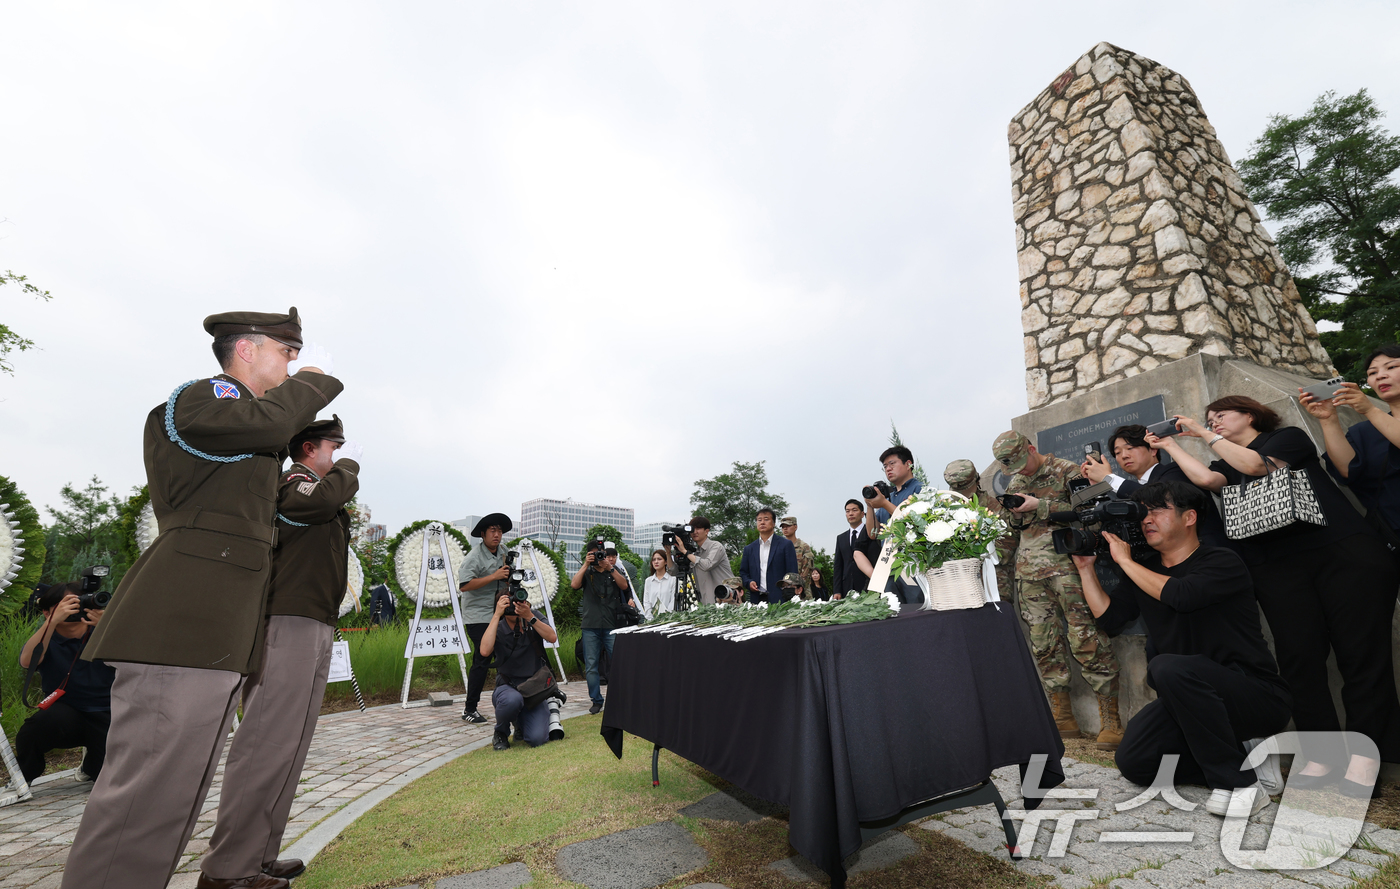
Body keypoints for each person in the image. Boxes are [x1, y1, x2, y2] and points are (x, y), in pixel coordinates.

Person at [63, 307, 339, 889]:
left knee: (175, 795)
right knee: (144, 799)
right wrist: (314, 383)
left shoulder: (251, 427)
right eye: (285, 351)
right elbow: (270, 427)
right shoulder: (204, 398)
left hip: (215, 629)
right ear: (246, 349)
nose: (294, 363)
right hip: (180, 622)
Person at [1162, 394, 1400, 791]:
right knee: (1298, 662)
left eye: (1222, 414)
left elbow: (1257, 466)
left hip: (1340, 554)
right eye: (1209, 417)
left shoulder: (1286, 438)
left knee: (1361, 656)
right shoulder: (1225, 462)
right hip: (1275, 566)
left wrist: (1203, 432)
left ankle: (1365, 761)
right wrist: (1170, 444)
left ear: (1251, 415)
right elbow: (1207, 480)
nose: (1214, 421)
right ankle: (1321, 757)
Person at [198, 416, 360, 886]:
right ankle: (227, 869)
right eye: (333, 447)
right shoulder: (293, 484)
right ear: (308, 448)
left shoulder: (315, 491)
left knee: (290, 745)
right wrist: (348, 467)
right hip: (288, 622)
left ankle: (259, 856)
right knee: (265, 744)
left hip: (314, 621)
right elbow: (325, 499)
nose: (339, 455)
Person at [1071, 481, 1291, 816]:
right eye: (1143, 512)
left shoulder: (1222, 561)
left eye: (1158, 510)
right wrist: (1086, 569)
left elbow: (1182, 595)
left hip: (1254, 695)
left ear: (1189, 517)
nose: (1147, 519)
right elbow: (1111, 619)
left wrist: (1126, 562)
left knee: (1168, 666)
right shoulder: (1147, 571)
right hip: (1188, 702)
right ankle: (1244, 758)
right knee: (1134, 761)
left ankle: (1241, 785)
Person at [993, 430, 1123, 750]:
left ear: (1031, 448)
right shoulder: (1015, 482)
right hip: (1029, 575)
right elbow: (1008, 538)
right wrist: (1000, 583)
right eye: (1012, 467)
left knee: (1086, 639)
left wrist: (1040, 505)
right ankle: (1063, 717)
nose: (1020, 471)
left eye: (1022, 462)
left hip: (1069, 569)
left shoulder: (1068, 471)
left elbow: (1088, 514)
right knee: (1043, 645)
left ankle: (1110, 720)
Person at [16, 583, 114, 783]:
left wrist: (108, 626)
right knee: (31, 731)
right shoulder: (46, 638)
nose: (73, 610)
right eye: (66, 605)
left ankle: (91, 765)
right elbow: (27, 662)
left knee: (106, 777)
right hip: (66, 711)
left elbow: (135, 661)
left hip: (108, 710)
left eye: (77, 603)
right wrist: (51, 622)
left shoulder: (103, 632)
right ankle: (22, 779)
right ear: (46, 611)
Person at [1080, 424, 1229, 548]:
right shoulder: (1127, 491)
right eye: (1117, 453)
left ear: (1153, 449)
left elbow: (1157, 499)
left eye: (1130, 448)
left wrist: (1108, 479)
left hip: (1209, 554)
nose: (1124, 455)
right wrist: (1099, 488)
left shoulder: (1175, 471)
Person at [1307, 345, 1400, 535]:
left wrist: (1370, 410)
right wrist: (1328, 419)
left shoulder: (1371, 414)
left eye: (1391, 367)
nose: (1380, 376)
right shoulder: (1364, 431)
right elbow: (1347, 471)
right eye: (1372, 373)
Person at [480, 590, 560, 750]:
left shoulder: (533, 616)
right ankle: (501, 732)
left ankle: (520, 723)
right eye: (508, 603)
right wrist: (496, 615)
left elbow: (552, 637)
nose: (513, 606)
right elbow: (485, 651)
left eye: (517, 602)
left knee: (537, 739)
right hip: (508, 687)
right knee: (512, 701)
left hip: (535, 688)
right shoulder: (498, 626)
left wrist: (529, 616)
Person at [457, 513, 514, 725]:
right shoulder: (474, 557)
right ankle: (469, 709)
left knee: (507, 654)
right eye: (492, 531)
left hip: (500, 611)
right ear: (483, 534)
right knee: (483, 657)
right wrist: (494, 576)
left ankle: (508, 701)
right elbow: (464, 585)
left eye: (499, 531)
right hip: (478, 615)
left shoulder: (504, 552)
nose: (497, 535)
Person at [570, 540, 636, 714]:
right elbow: (574, 585)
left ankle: (619, 698)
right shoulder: (587, 572)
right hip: (590, 625)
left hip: (611, 625)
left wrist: (610, 568)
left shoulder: (613, 570)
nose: (598, 557)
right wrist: (586, 564)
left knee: (617, 663)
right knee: (591, 665)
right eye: (593, 554)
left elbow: (624, 586)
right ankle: (596, 700)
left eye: (600, 553)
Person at [942, 459, 1016, 597]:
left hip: (993, 584)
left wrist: (972, 553)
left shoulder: (995, 509)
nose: (961, 497)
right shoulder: (948, 512)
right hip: (961, 586)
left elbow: (1006, 550)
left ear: (977, 482)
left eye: (964, 492)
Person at [671, 516, 735, 604]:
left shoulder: (716, 546)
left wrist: (685, 552)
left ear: (706, 531)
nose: (695, 532)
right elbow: (675, 572)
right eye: (693, 529)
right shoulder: (695, 553)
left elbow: (707, 565)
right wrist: (668, 552)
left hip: (725, 601)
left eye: (698, 528)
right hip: (706, 605)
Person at [739, 508, 798, 604]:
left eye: (766, 519)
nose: (762, 522)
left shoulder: (785, 545)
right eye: (759, 520)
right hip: (756, 599)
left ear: (773, 523)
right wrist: (749, 582)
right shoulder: (749, 549)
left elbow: (792, 573)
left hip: (780, 599)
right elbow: (743, 572)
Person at [832, 499, 879, 598]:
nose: (851, 514)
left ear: (862, 514)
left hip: (868, 584)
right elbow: (838, 566)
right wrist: (837, 591)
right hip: (847, 587)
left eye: (854, 510)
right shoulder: (841, 538)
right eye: (847, 511)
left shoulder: (871, 534)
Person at [779, 516, 815, 598]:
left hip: (801, 591)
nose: (785, 529)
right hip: (783, 591)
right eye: (783, 527)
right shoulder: (779, 547)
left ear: (795, 527)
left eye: (788, 526)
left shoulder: (803, 547)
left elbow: (807, 571)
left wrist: (797, 588)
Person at [642, 549, 677, 619]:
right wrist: (650, 618)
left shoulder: (673, 580)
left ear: (665, 562)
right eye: (654, 560)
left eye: (659, 559)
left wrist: (667, 617)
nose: (656, 562)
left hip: (668, 619)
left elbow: (672, 602)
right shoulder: (648, 581)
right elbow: (646, 602)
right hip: (651, 620)